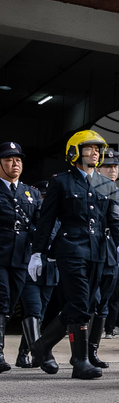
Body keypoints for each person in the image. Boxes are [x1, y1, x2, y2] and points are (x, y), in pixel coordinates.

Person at [28, 130, 119, 379]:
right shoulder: (61, 182)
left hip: (97, 252)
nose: (95, 153)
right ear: (75, 152)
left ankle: (40, 346)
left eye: (97, 149)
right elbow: (46, 221)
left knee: (86, 304)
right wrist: (38, 252)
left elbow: (114, 218)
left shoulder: (105, 184)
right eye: (89, 148)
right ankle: (80, 361)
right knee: (81, 303)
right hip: (70, 249)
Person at [88, 148, 119, 369]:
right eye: (108, 166)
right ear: (98, 167)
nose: (113, 170)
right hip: (91, 251)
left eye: (115, 166)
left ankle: (92, 351)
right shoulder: (88, 189)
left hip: (113, 254)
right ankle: (79, 350)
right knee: (87, 301)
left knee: (104, 303)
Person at [0, 142, 42, 373]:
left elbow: (42, 223)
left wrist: (43, 250)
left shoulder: (31, 193)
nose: (14, 163)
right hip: (1, 253)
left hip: (20, 257)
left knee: (10, 302)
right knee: (2, 298)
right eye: (8, 159)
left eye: (18, 160)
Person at [15, 180, 57, 369]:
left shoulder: (58, 217)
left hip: (48, 271)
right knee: (33, 309)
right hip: (29, 268)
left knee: (39, 313)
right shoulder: (29, 217)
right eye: (42, 197)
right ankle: (39, 353)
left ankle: (23, 353)